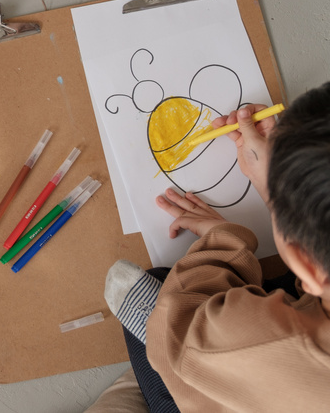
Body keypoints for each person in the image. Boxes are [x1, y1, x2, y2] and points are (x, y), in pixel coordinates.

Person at [93, 85, 330, 412]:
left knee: (170, 302)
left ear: (307, 264)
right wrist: (278, 183)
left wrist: (223, 238)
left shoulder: (263, 343)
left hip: (247, 368)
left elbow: (187, 336)